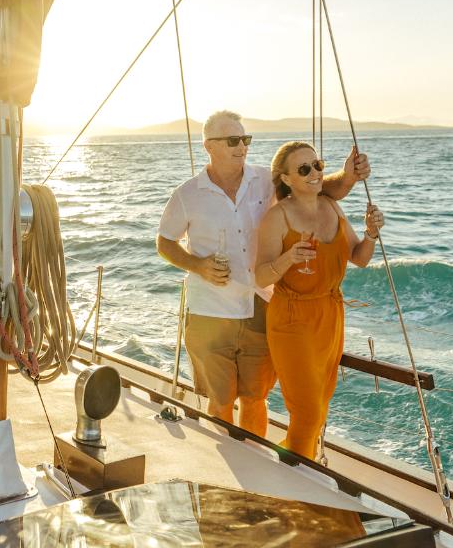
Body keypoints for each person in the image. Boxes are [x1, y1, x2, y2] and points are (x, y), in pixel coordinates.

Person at [157, 110, 368, 436]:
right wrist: (198, 265)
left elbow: (315, 186)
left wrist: (349, 176)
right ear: (209, 146)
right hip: (209, 310)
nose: (242, 146)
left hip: (260, 306)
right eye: (232, 141)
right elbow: (165, 243)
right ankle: (226, 469)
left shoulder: (264, 180)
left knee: (255, 399)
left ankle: (253, 461)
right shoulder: (187, 194)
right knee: (221, 399)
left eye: (245, 139)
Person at [254, 140, 384, 460]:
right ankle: (295, 481)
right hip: (292, 318)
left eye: (317, 165)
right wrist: (289, 258)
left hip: (331, 316)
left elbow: (359, 258)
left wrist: (370, 234)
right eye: (303, 169)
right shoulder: (277, 217)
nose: (314, 173)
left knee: (319, 408)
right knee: (308, 411)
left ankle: (297, 466)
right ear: (286, 179)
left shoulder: (332, 207)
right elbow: (260, 277)